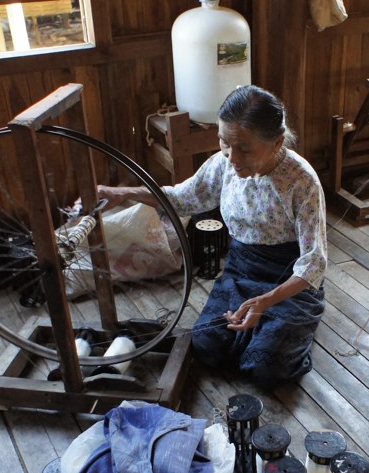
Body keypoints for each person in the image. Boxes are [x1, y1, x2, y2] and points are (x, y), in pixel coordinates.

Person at [97, 85, 328, 389]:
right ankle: (260, 332)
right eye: (224, 142)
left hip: (287, 282)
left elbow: (314, 264)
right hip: (240, 271)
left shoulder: (302, 182)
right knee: (205, 345)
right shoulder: (224, 165)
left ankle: (289, 329)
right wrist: (121, 193)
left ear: (277, 143)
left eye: (244, 148)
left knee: (266, 369)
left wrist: (266, 302)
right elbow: (180, 198)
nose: (232, 157)